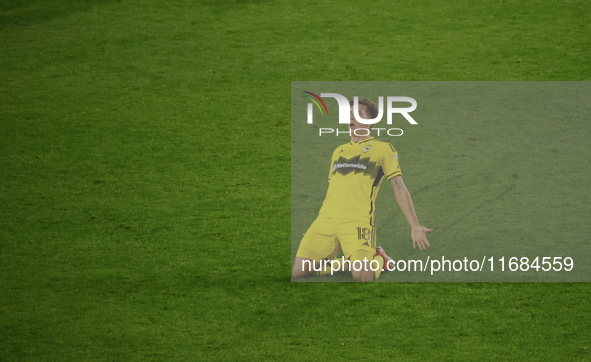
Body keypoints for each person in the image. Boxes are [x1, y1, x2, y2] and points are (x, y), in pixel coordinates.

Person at [292, 98, 432, 282]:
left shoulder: (383, 149)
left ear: (370, 121)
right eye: (349, 114)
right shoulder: (339, 151)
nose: (351, 117)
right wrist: (317, 224)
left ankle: (379, 260)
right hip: (326, 220)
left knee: (363, 276)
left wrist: (415, 226)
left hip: (357, 222)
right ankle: (347, 263)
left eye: (358, 114)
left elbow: (398, 187)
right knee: (300, 271)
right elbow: (334, 190)